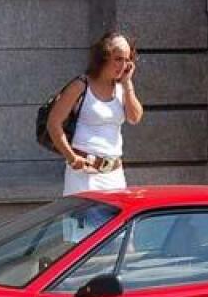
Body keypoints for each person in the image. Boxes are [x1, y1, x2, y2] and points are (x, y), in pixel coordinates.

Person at [46, 31, 144, 196]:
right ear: (104, 57)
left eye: (128, 60)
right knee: (83, 222)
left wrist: (127, 84)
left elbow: (135, 117)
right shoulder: (80, 86)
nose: (124, 65)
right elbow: (53, 123)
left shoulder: (122, 88)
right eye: (118, 59)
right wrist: (71, 157)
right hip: (84, 173)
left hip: (114, 173)